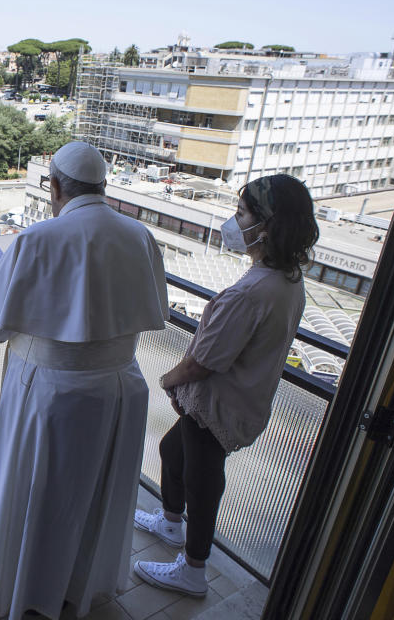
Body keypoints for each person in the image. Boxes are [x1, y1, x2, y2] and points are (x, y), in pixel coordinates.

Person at [0, 142, 169, 619]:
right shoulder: (139, 236)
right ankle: (81, 585)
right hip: (119, 388)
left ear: (54, 187)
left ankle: (24, 592)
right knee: (95, 496)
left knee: (39, 498)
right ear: (103, 187)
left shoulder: (38, 239)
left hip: (50, 395)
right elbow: (156, 308)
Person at [134, 174, 319, 597]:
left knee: (203, 481)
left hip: (215, 408)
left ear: (266, 227)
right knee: (171, 452)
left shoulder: (251, 292)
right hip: (237, 403)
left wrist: (167, 379)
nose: (233, 223)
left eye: (241, 214)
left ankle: (193, 569)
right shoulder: (287, 280)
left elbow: (202, 362)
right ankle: (169, 522)